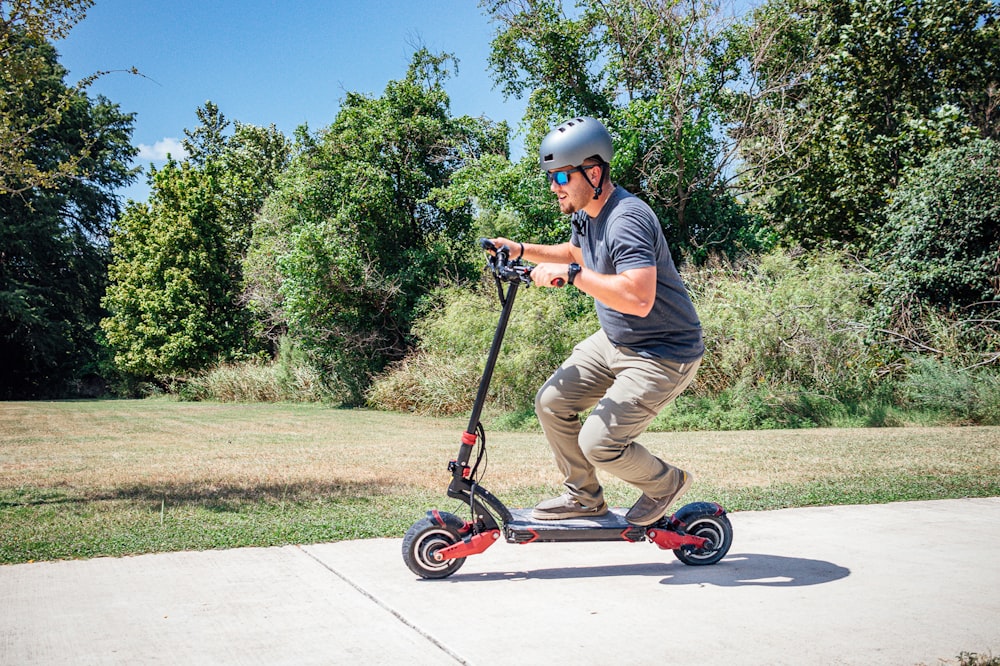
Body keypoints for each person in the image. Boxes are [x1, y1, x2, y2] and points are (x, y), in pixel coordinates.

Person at [489, 116, 704, 526]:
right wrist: (519, 250)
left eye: (562, 175)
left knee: (599, 443)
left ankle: (665, 483)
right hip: (616, 340)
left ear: (593, 171)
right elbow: (575, 254)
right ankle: (583, 498)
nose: (554, 186)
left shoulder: (627, 219)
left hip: (662, 352)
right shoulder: (587, 212)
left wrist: (574, 280)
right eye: (551, 176)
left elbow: (639, 298)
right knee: (552, 403)